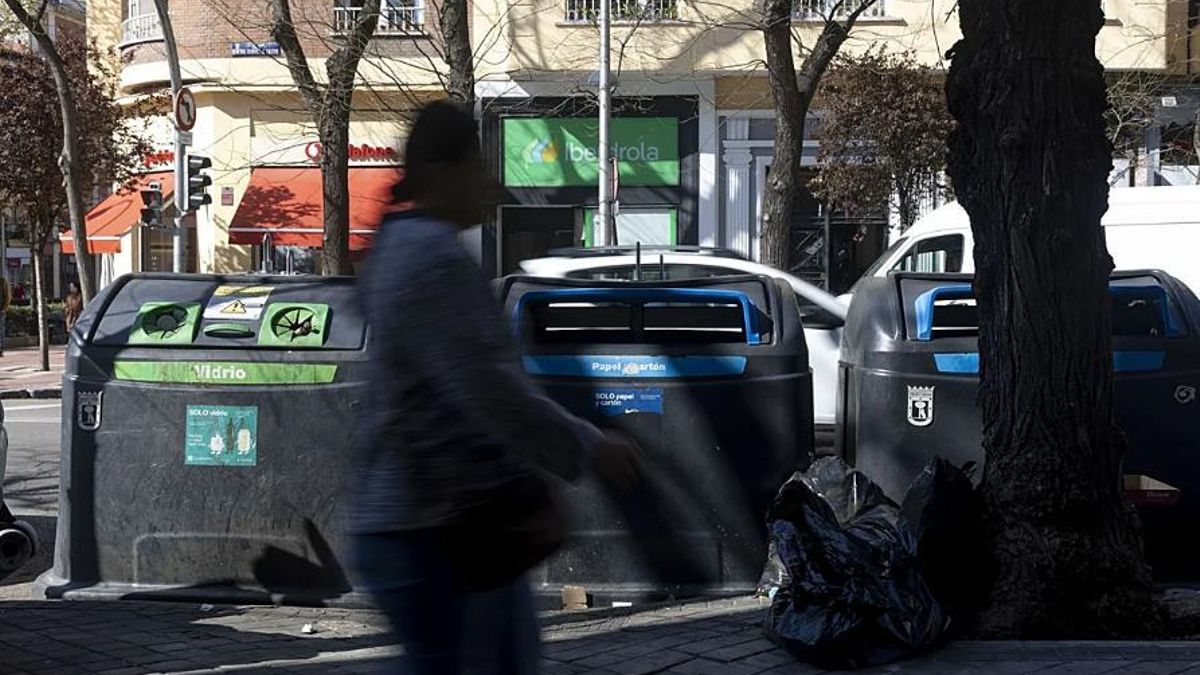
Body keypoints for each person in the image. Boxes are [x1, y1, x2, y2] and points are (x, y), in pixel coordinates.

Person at [350, 101, 643, 674]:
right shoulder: (431, 260)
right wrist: (587, 445)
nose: (490, 182)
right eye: (477, 166)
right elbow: (487, 392)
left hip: (423, 521)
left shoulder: (399, 248)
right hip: (435, 526)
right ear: (441, 173)